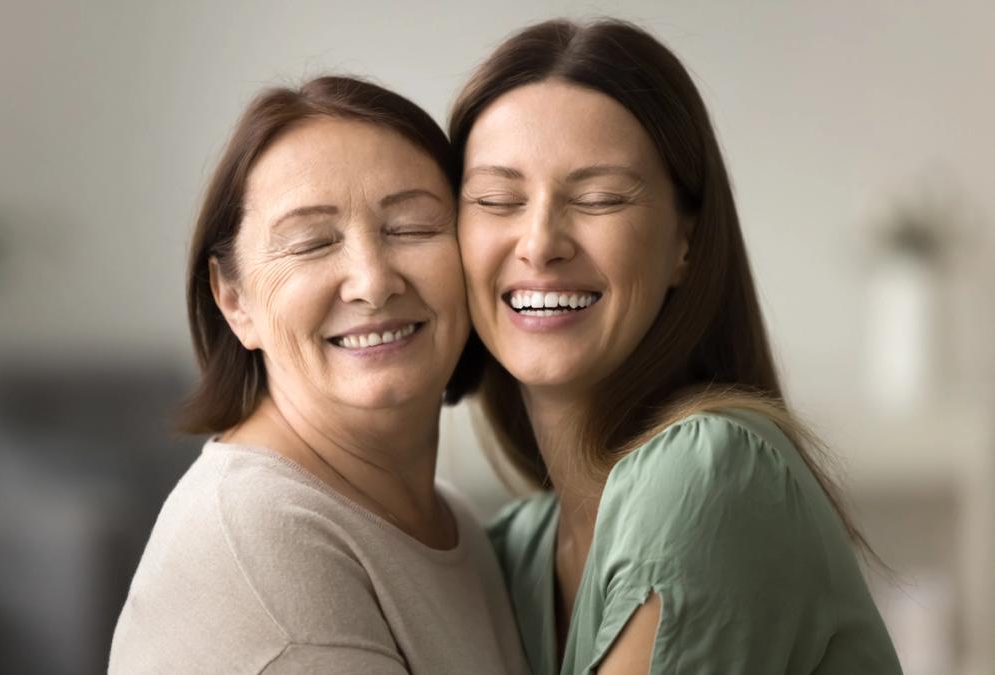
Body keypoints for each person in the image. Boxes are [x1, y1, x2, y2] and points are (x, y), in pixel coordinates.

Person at [449, 19, 903, 675]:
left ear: (684, 245)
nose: (540, 241)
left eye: (599, 197)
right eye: (496, 199)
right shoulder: (514, 552)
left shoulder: (706, 475)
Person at [110, 75, 528, 674]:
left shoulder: (449, 519)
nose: (373, 280)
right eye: (310, 243)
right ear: (234, 300)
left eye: (411, 228)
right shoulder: (265, 542)